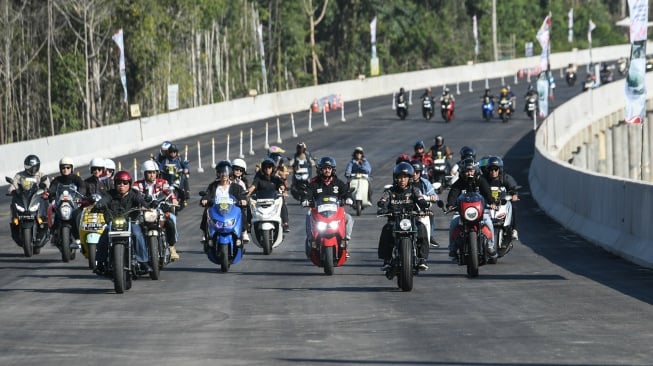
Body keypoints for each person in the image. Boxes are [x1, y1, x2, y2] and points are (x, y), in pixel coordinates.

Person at [94, 171, 151, 274]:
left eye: (125, 183)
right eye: (119, 183)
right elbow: (104, 200)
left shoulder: (134, 194)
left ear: (129, 184)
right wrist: (99, 205)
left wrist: (146, 206)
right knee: (104, 235)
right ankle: (100, 262)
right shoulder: (110, 194)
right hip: (113, 223)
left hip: (131, 223)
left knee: (138, 235)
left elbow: (141, 201)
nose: (122, 185)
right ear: (115, 184)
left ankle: (143, 261)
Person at [377, 162, 431, 271]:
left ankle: (422, 259)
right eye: (400, 177)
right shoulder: (390, 191)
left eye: (405, 177)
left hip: (412, 220)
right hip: (394, 220)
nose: (402, 180)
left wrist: (425, 206)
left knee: (422, 229)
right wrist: (382, 206)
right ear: (395, 178)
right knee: (386, 230)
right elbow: (383, 200)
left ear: (409, 178)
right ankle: (386, 260)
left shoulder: (414, 190)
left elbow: (420, 199)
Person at [302, 156, 354, 257]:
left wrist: (349, 198)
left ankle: (345, 242)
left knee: (349, 218)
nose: (327, 170)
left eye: (329, 168)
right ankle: (311, 240)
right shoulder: (314, 183)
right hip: (318, 213)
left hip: (335, 213)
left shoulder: (338, 182)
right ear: (320, 170)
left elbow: (346, 191)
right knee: (308, 215)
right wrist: (305, 200)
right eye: (325, 168)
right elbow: (307, 193)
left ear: (333, 170)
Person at [446, 158, 497, 260]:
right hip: (462, 212)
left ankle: (491, 245)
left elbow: (487, 193)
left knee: (489, 222)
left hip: (480, 211)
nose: (469, 173)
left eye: (471, 170)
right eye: (467, 171)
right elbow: (453, 193)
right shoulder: (460, 182)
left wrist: (492, 203)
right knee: (453, 223)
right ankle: (452, 248)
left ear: (475, 170)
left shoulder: (481, 180)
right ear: (463, 171)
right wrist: (450, 204)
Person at [133, 160, 181, 260]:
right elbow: (134, 195)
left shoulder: (162, 182)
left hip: (159, 209)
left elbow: (169, 192)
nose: (152, 175)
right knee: (135, 227)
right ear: (144, 173)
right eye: (149, 172)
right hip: (143, 212)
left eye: (154, 172)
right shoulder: (137, 184)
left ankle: (171, 247)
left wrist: (174, 200)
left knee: (171, 219)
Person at [199, 161, 248, 245]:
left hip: (231, 210)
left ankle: (244, 232)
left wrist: (243, 200)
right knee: (207, 211)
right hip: (217, 210)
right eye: (221, 172)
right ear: (218, 174)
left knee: (241, 211)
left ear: (229, 173)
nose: (224, 175)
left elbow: (242, 196)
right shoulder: (213, 186)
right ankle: (205, 232)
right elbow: (207, 194)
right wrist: (204, 200)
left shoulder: (236, 187)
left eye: (226, 172)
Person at [7, 155, 51, 246]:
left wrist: (46, 191)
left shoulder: (41, 175)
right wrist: (11, 190)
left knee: (46, 202)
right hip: (24, 199)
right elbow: (13, 185)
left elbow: (47, 185)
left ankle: (45, 222)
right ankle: (15, 222)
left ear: (38, 166)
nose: (31, 170)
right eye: (29, 167)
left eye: (33, 167)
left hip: (37, 198)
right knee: (13, 203)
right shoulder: (19, 175)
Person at [48, 157, 87, 245]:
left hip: (73, 203)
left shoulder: (76, 179)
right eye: (63, 168)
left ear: (72, 168)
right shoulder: (57, 180)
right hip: (60, 203)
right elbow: (52, 190)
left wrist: (79, 197)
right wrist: (52, 198)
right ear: (60, 169)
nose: (65, 170)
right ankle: (53, 233)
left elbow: (82, 187)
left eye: (68, 167)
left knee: (78, 214)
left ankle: (78, 236)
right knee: (53, 213)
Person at [482, 156, 520, 240]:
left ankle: (514, 230)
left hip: (502, 202)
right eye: (491, 169)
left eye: (496, 169)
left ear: (500, 169)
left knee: (513, 206)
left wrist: (514, 194)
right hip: (488, 204)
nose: (493, 172)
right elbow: (477, 187)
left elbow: (512, 185)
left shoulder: (504, 178)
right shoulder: (484, 179)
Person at [248, 158, 289, 232]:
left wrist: (284, 191)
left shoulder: (276, 179)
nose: (267, 169)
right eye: (265, 167)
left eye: (269, 167)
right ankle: (248, 224)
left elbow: (282, 186)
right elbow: (252, 187)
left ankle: (285, 223)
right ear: (263, 169)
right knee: (249, 204)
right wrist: (247, 192)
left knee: (282, 202)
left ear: (272, 168)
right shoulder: (258, 179)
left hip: (274, 200)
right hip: (260, 201)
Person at [409, 160, 439, 248]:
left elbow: (434, 194)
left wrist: (433, 197)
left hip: (421, 209)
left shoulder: (425, 183)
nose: (414, 174)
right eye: (413, 172)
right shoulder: (404, 182)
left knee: (430, 214)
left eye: (417, 172)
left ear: (420, 172)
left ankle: (430, 235)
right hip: (406, 209)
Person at [231, 158, 250, 242]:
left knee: (243, 213)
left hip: (237, 204)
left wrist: (244, 200)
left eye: (240, 170)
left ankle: (244, 231)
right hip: (225, 203)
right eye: (236, 169)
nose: (238, 171)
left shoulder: (242, 182)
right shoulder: (225, 180)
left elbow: (245, 193)